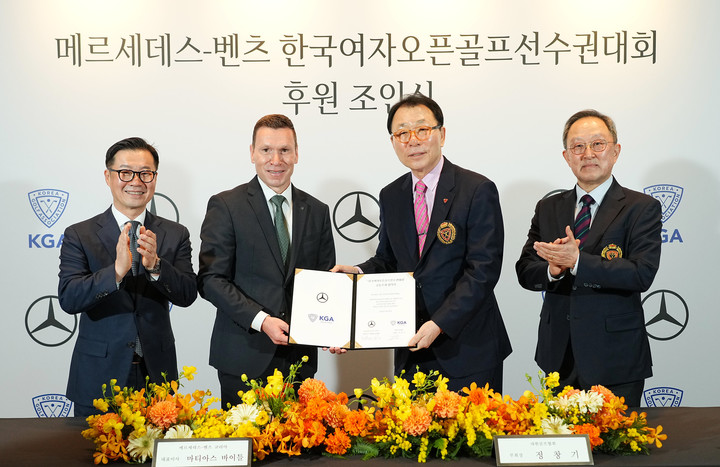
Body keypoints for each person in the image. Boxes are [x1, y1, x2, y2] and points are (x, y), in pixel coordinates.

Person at [332, 94, 512, 393]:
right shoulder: (392, 195)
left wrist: (439, 323)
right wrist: (357, 273)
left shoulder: (476, 189)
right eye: (402, 133)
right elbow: (388, 259)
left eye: (422, 129)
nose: (412, 140)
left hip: (467, 348)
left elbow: (483, 271)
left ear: (442, 134)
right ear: (393, 142)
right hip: (411, 348)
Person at [515, 109, 662, 407]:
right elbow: (526, 270)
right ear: (567, 156)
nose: (588, 154)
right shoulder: (548, 207)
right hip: (558, 355)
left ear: (615, 151)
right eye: (578, 146)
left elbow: (641, 273)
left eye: (598, 144)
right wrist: (553, 269)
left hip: (615, 357)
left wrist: (579, 262)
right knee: (560, 436)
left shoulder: (641, 207)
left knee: (617, 437)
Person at [198, 114, 336, 408]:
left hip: (299, 360)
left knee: (301, 438)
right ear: (252, 153)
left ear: (296, 153)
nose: (276, 160)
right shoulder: (226, 205)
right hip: (243, 357)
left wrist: (334, 329)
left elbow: (324, 283)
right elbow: (211, 280)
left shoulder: (317, 210)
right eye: (266, 150)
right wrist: (261, 321)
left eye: (285, 150)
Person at [58, 137, 198, 417]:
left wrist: (156, 266)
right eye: (125, 172)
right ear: (108, 176)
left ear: (154, 178)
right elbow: (69, 299)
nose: (136, 181)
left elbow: (187, 294)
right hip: (98, 377)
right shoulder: (79, 234)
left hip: (156, 376)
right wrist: (116, 272)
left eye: (145, 173)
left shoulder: (175, 233)